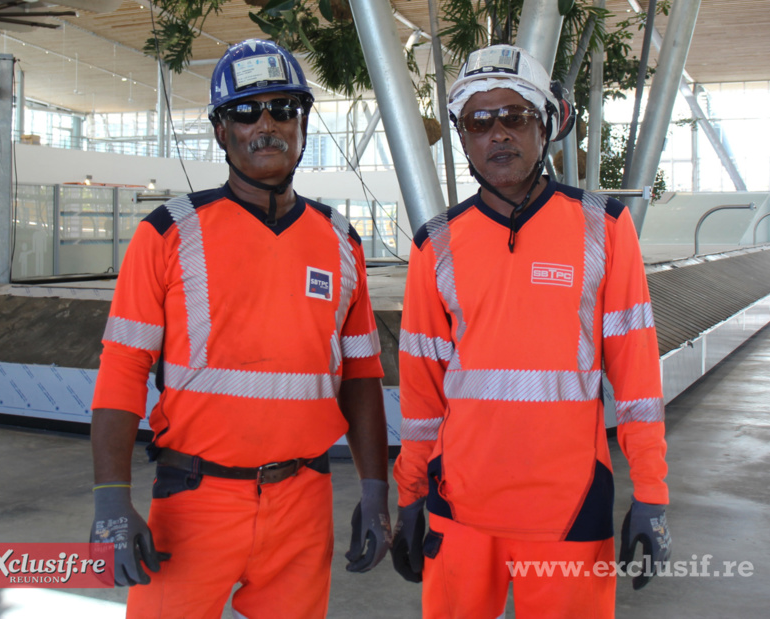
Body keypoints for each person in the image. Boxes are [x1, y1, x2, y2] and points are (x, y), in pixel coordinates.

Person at [90, 39, 391, 619]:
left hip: (304, 504)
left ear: (303, 124)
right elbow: (123, 369)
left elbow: (361, 375)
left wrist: (375, 489)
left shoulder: (340, 241)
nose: (266, 125)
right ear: (220, 131)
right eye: (246, 111)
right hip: (193, 502)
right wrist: (110, 498)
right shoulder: (168, 233)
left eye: (284, 109)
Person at [390, 44, 671, 617]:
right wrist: (410, 494)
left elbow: (638, 383)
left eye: (514, 116)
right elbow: (421, 394)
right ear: (463, 139)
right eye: (479, 122)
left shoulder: (604, 228)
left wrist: (651, 493)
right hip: (458, 507)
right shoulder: (435, 244)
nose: (498, 134)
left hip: (570, 510)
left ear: (546, 127)